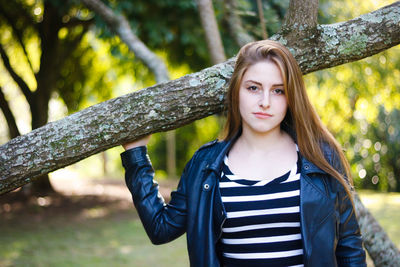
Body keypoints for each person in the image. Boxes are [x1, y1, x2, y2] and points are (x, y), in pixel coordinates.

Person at [120, 40, 366, 267]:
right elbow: (161, 228)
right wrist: (136, 155)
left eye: (278, 90)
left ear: (291, 97)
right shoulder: (205, 166)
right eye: (253, 88)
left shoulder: (320, 157)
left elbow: (349, 246)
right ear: (237, 90)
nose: (265, 101)